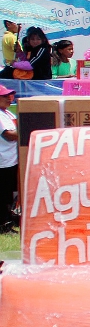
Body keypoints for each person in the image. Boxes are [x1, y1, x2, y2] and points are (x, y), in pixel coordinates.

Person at [0, 85, 15, 231]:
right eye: (5, 96)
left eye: (9, 96)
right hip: (3, 161)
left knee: (10, 193)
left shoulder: (8, 114)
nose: (9, 99)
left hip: (13, 160)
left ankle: (9, 218)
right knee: (3, 194)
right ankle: (3, 223)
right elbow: (9, 135)